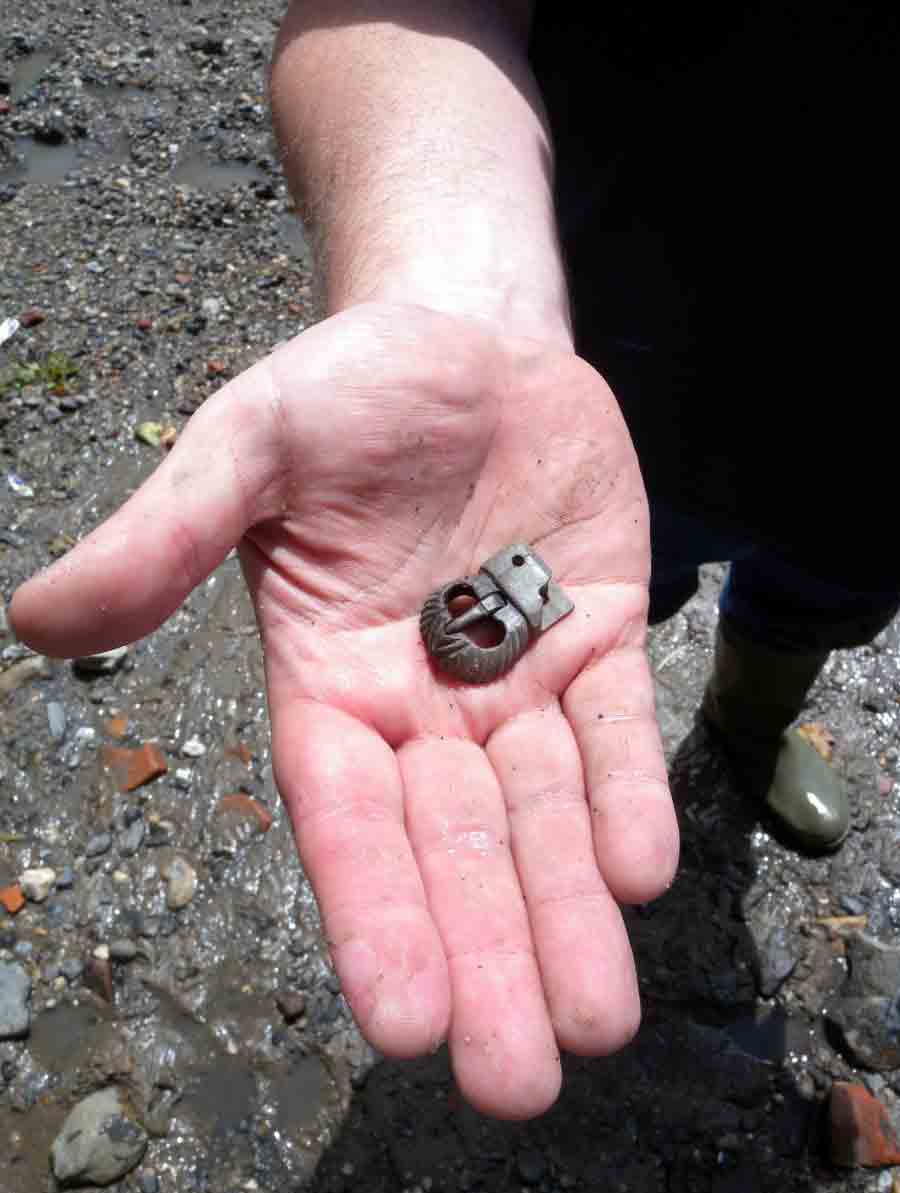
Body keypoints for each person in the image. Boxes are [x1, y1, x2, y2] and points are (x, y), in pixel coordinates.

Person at [9, 2, 898, 1121]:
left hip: (871, 468)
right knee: (635, 599)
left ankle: (747, 723)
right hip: (595, 409)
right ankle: (725, 700)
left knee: (828, 595)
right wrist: (446, 287)